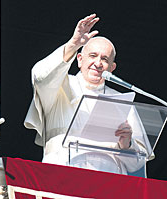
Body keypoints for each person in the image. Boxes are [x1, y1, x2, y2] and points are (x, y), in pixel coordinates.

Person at [24, 14, 150, 174]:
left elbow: (138, 164)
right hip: (62, 177)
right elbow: (40, 77)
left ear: (112, 68)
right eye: (92, 56)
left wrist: (127, 144)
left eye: (105, 59)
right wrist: (73, 44)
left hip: (109, 184)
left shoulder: (121, 101)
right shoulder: (60, 86)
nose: (98, 63)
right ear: (79, 59)